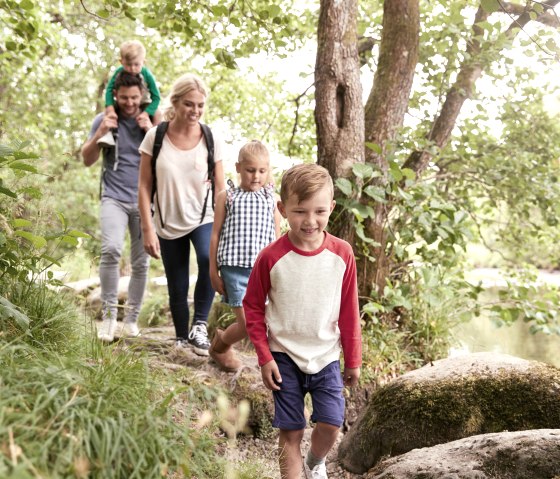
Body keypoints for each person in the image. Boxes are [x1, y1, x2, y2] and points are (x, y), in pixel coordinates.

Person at [243, 163, 362, 479]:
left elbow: (349, 311)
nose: (310, 221)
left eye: (319, 211)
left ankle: (314, 462)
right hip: (283, 357)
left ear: (331, 208)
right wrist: (265, 357)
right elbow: (253, 308)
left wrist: (353, 359)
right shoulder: (271, 257)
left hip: (325, 356)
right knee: (291, 431)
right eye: (299, 212)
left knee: (331, 423)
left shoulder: (343, 254)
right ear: (281, 209)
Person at [138, 73, 226, 356]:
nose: (195, 111)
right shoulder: (156, 136)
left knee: (206, 258)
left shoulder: (210, 137)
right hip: (166, 221)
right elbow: (143, 185)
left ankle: (199, 325)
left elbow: (222, 188)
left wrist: (225, 225)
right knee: (177, 283)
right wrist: (148, 228)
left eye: (200, 105)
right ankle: (180, 337)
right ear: (175, 103)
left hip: (203, 216)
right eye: (189, 104)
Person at [82, 71, 154, 342]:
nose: (129, 102)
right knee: (110, 250)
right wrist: (100, 131)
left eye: (134, 97)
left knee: (141, 262)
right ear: (115, 95)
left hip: (144, 200)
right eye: (124, 97)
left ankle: (132, 320)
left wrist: (150, 130)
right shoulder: (105, 120)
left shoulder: (152, 121)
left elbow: (166, 160)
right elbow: (87, 159)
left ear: (142, 95)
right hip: (113, 196)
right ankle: (109, 318)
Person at [208, 140, 282, 372]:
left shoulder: (272, 199)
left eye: (262, 170)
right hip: (234, 270)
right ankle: (220, 348)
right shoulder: (227, 196)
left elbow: (277, 238)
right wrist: (213, 270)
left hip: (262, 272)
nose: (256, 176)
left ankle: (220, 343)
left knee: (262, 322)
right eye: (250, 170)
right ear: (239, 168)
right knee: (250, 324)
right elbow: (215, 234)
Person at [97, 40, 161, 148]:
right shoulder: (118, 72)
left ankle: (155, 136)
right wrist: (111, 109)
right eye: (128, 65)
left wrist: (146, 113)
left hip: (144, 102)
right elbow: (109, 90)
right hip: (121, 104)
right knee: (108, 113)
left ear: (143, 62)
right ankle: (108, 135)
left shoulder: (147, 74)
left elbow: (156, 97)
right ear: (121, 62)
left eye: (136, 64)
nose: (132, 69)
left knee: (158, 112)